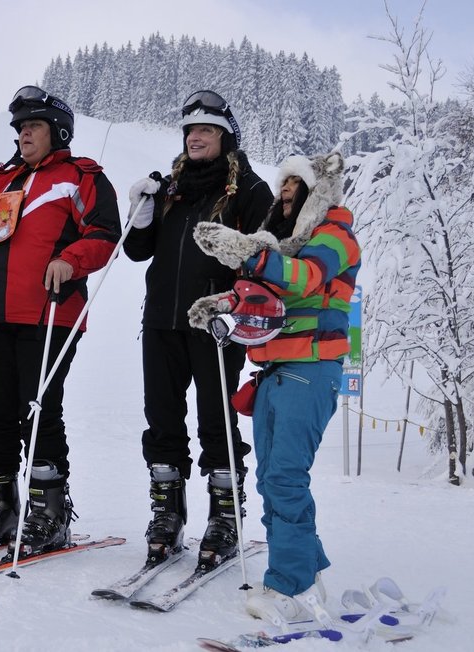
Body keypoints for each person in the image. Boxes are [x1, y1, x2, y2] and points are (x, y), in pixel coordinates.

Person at [0, 85, 120, 554]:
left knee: (38, 411)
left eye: (33, 126)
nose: (23, 134)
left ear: (57, 131)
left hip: (51, 315)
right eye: (19, 127)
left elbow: (104, 232)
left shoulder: (79, 177)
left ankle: (49, 511)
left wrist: (72, 259)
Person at [188, 152, 360, 624]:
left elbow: (306, 280)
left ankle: (292, 587)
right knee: (270, 480)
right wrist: (221, 303)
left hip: (310, 369)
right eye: (281, 184)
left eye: (294, 185)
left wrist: (248, 252)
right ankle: (308, 571)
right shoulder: (279, 244)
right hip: (270, 373)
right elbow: (260, 299)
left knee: (285, 478)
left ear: (314, 193)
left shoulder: (335, 233)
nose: (284, 192)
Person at [122, 90, 273, 568]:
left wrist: (237, 305)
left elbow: (265, 257)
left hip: (216, 324)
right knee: (162, 420)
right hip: (162, 319)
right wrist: (143, 212)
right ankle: (168, 514)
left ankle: (225, 516)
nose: (195, 137)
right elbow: (137, 251)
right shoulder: (171, 187)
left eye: (206, 129)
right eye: (190, 130)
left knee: (216, 421)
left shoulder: (249, 190)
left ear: (226, 137)